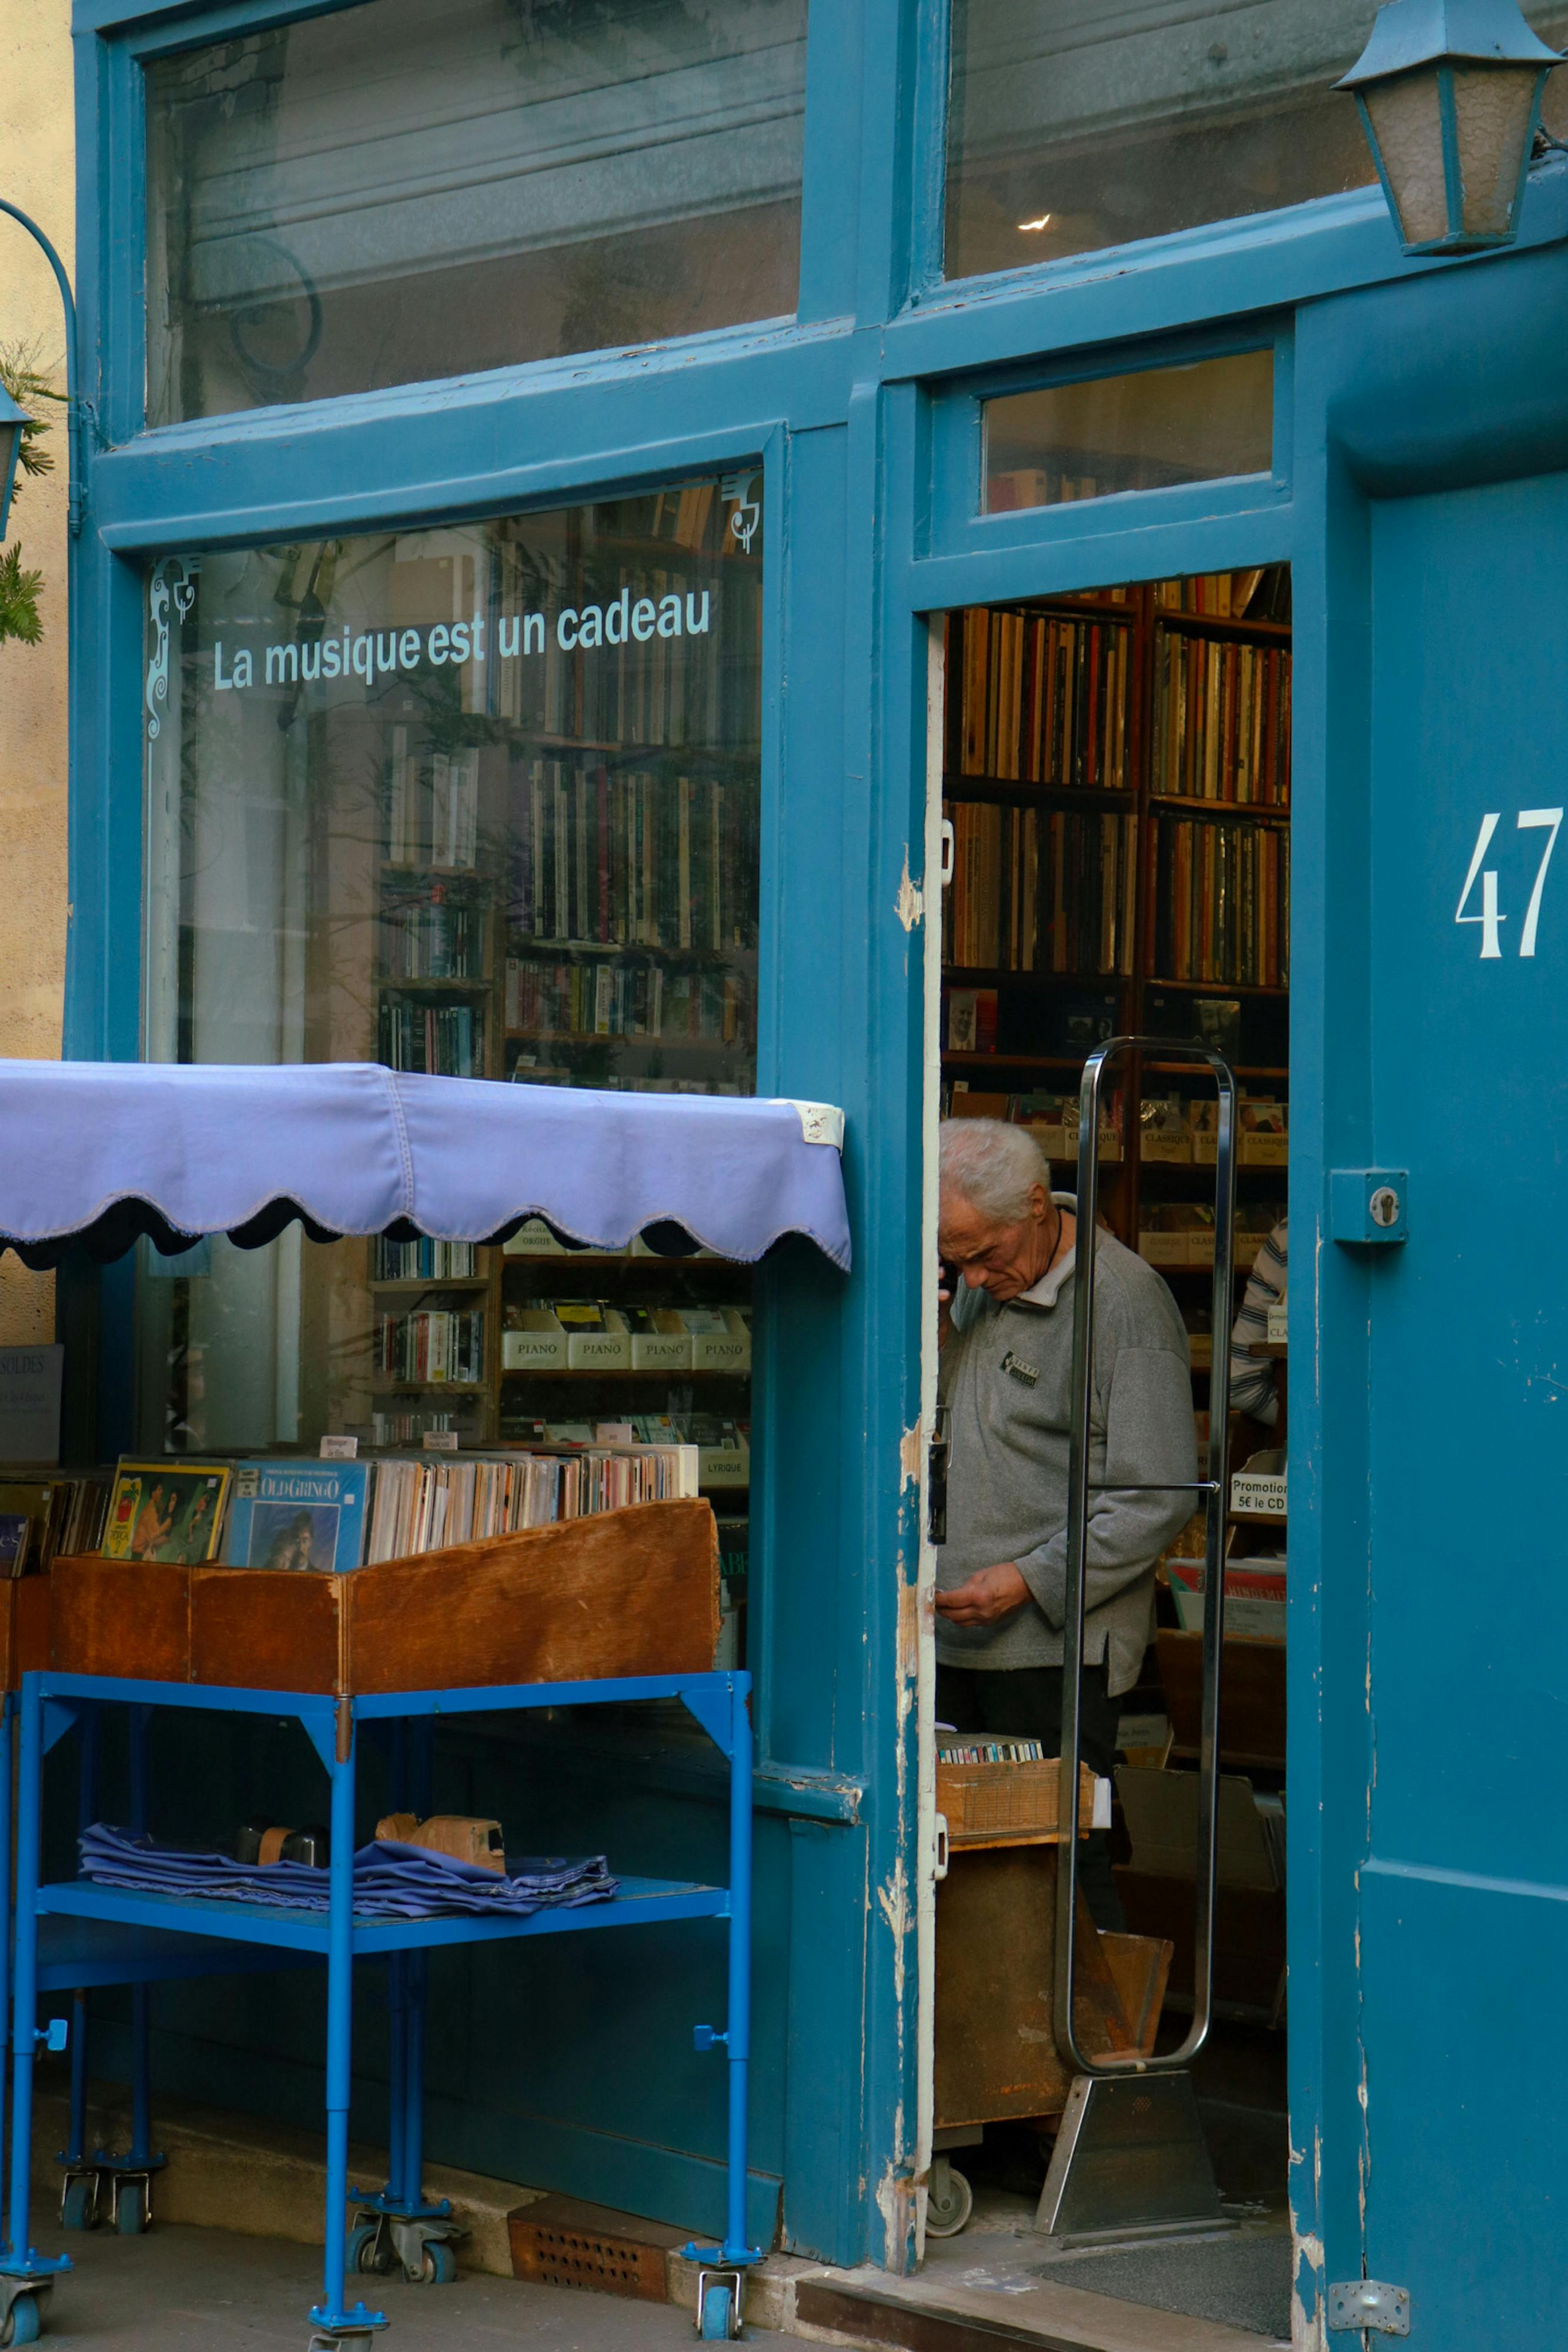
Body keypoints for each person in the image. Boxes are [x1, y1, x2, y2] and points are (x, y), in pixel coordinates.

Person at [935, 1118, 1198, 1920]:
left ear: (1036, 1208)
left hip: (1052, 1651)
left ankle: (1106, 2047)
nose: (973, 1279)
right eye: (957, 1259)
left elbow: (1157, 1495)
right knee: (965, 1870)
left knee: (1061, 1862)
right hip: (955, 1639)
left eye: (984, 1254)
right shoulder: (985, 1284)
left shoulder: (1122, 1302)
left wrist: (1028, 1579)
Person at [1229, 1215, 1287, 1425]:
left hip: (1313, 1442)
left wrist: (1306, 1429)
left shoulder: (1294, 1231)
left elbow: (1240, 1382)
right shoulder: (1290, 1234)